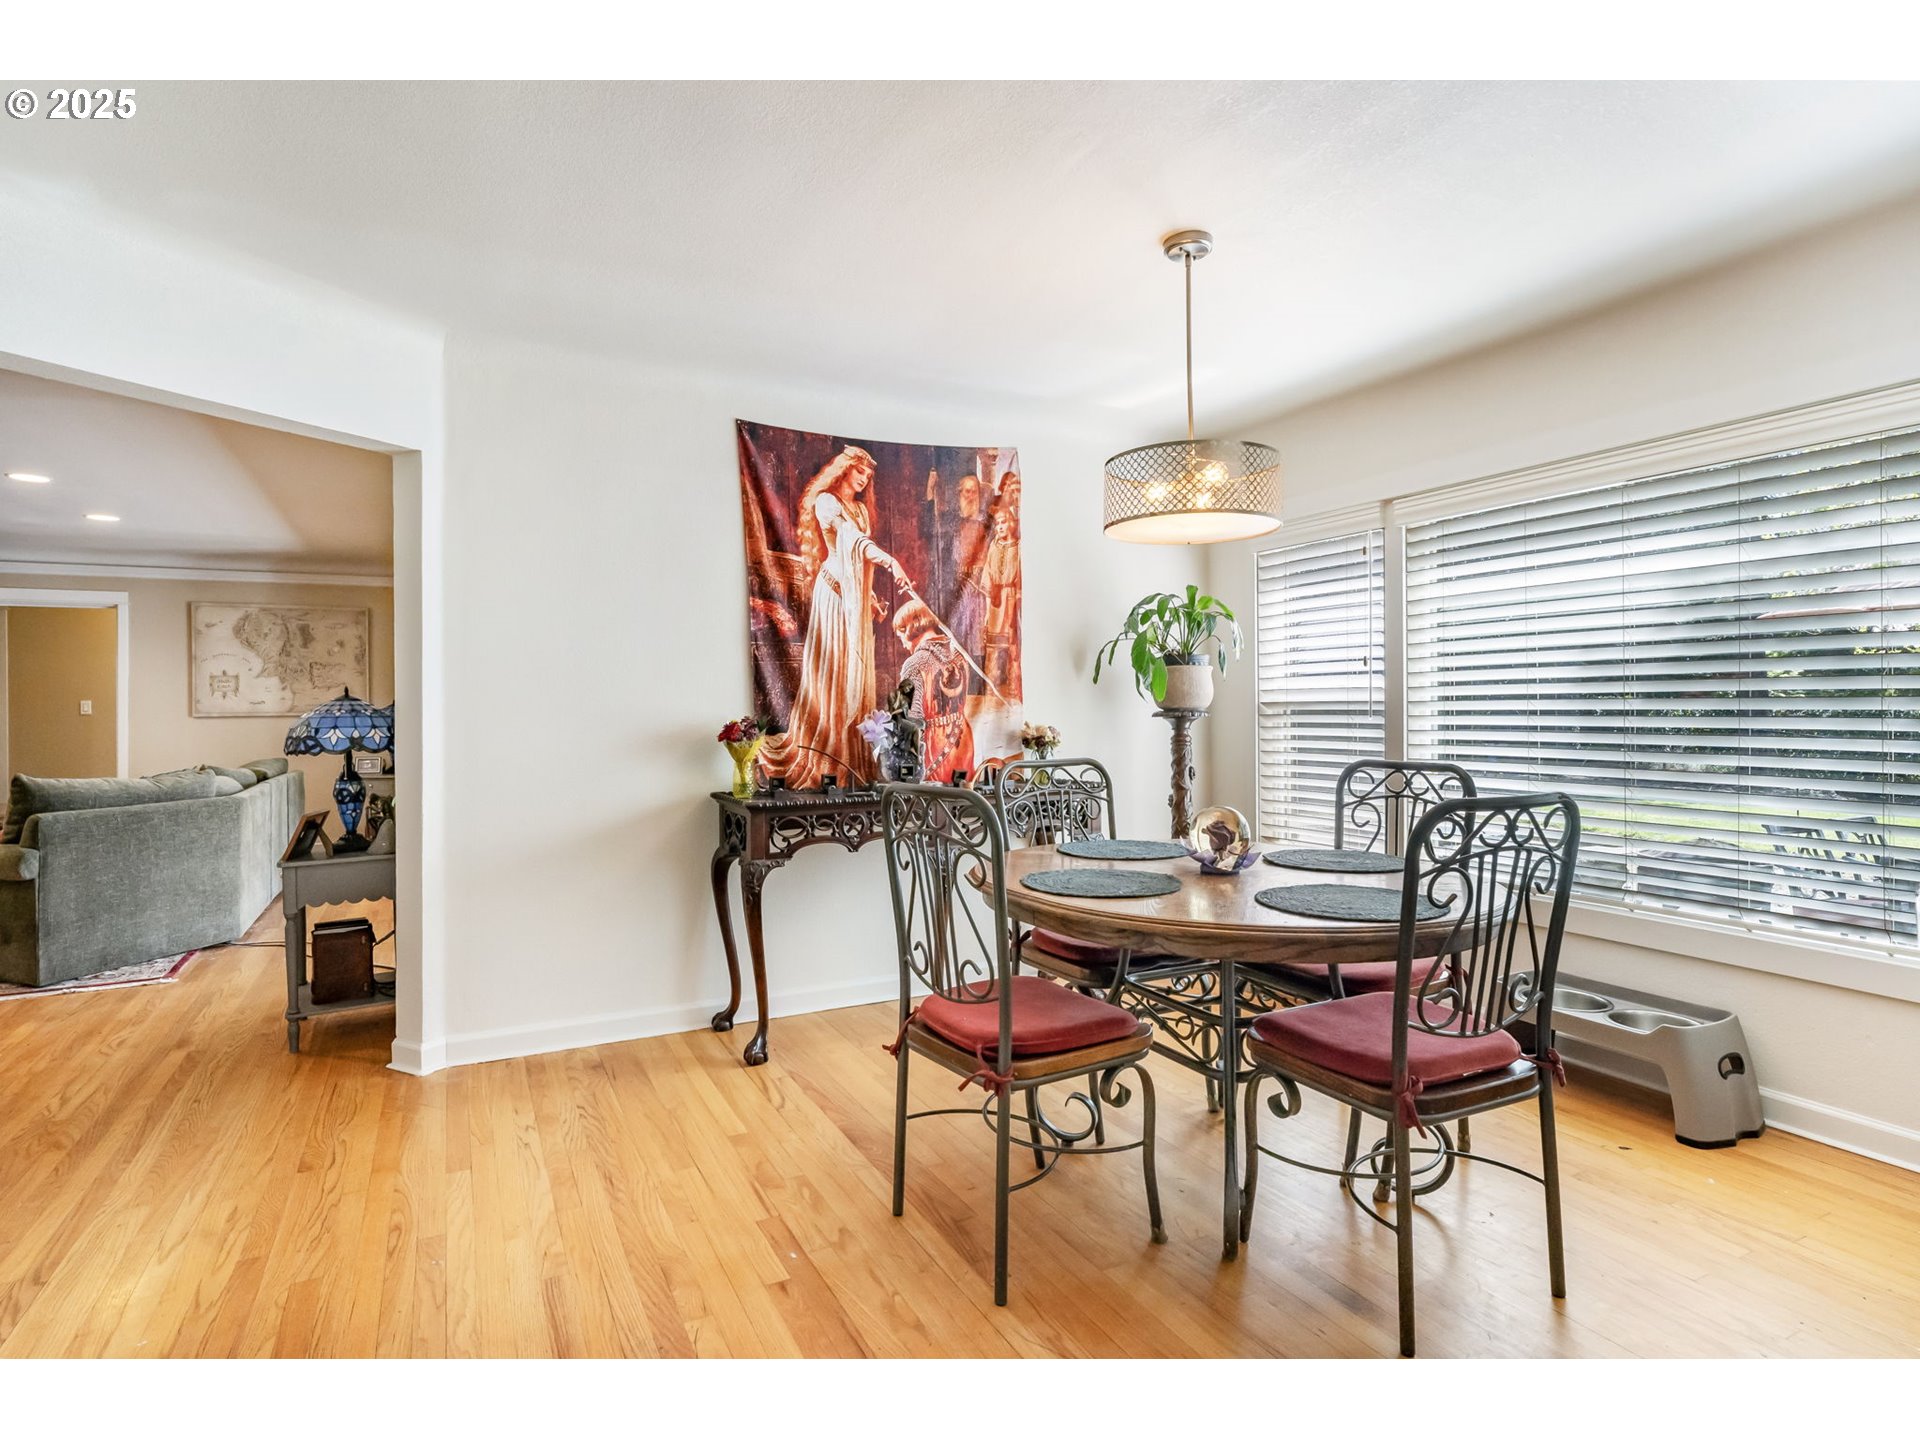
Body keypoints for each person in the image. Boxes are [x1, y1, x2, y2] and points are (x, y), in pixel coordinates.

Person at [757, 445, 914, 788]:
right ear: (844, 469)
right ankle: (829, 756)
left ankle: (852, 758)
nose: (864, 479)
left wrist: (870, 599)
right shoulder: (826, 502)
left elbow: (857, 566)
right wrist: (891, 562)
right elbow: (852, 542)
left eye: (868, 475)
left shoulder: (861, 509)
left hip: (853, 602)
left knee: (852, 675)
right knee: (833, 673)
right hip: (832, 596)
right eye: (860, 472)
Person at [892, 597, 975, 784]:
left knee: (934, 798)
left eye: (900, 636)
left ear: (909, 628)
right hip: (964, 739)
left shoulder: (915, 663)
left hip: (935, 745)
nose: (903, 644)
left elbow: (909, 718)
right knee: (963, 795)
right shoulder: (960, 656)